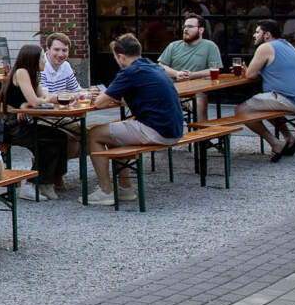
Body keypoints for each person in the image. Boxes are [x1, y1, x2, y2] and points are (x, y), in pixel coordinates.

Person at [83, 33, 185, 205]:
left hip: (157, 130)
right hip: (174, 129)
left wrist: (97, 95)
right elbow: (131, 96)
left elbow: (99, 103)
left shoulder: (129, 72)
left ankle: (106, 191)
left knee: (94, 133)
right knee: (116, 132)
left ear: (121, 57)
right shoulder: (153, 67)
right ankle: (125, 189)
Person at [0, 43, 72, 200]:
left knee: (60, 136)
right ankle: (31, 184)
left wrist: (32, 103)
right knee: (47, 142)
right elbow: (37, 100)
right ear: (33, 59)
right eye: (42, 57)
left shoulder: (33, 75)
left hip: (24, 122)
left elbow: (43, 97)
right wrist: (32, 102)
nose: (45, 61)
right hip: (13, 127)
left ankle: (49, 181)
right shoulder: (22, 72)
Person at [237, 18, 295, 161]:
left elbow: (250, 75)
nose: (254, 35)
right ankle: (290, 138)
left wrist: (246, 71)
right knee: (266, 104)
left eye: (257, 32)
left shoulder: (265, 47)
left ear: (267, 35)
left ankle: (276, 143)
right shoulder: (287, 45)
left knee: (241, 111)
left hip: (290, 99)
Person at [159, 15, 223, 118]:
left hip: (195, 91)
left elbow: (215, 70)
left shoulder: (210, 46)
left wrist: (193, 75)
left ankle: (202, 133)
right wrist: (176, 73)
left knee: (199, 103)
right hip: (172, 90)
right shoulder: (174, 46)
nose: (185, 29)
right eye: (184, 27)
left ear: (201, 30)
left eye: (190, 27)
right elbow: (161, 66)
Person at [39, 33, 83, 98]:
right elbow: (44, 97)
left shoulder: (66, 66)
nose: (60, 54)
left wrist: (90, 93)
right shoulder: (40, 66)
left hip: (60, 107)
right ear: (48, 49)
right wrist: (72, 96)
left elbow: (76, 90)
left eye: (64, 50)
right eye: (56, 49)